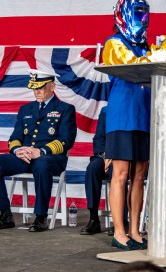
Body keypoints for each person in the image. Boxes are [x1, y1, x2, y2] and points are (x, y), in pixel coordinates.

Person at [102, 0, 151, 250]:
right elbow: (133, 65)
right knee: (120, 174)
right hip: (122, 117)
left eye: (145, 14)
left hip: (144, 117)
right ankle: (119, 231)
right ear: (123, 14)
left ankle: (135, 229)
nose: (142, 19)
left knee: (140, 175)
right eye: (137, 13)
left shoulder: (147, 46)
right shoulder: (114, 43)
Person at [0, 69, 77, 232]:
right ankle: (5, 214)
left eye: (41, 87)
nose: (37, 92)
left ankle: (41, 217)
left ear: (52, 86)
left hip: (51, 159)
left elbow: (66, 140)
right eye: (34, 88)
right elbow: (14, 137)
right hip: (25, 157)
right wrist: (17, 150)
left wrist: (41, 151)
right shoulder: (25, 109)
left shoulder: (65, 109)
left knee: (41, 164)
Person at [80, 106, 129, 235]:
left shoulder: (134, 110)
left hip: (128, 158)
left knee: (116, 170)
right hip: (106, 156)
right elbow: (99, 138)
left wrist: (115, 156)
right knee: (93, 168)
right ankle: (93, 219)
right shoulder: (106, 110)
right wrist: (104, 155)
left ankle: (122, 221)